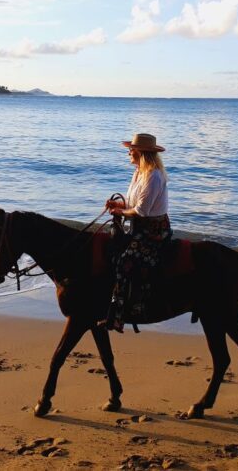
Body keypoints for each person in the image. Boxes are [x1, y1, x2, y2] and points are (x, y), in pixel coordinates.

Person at [103, 133, 172, 332]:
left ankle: (123, 312)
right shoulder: (139, 172)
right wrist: (118, 204)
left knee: (126, 260)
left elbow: (141, 211)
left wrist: (119, 211)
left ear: (141, 153)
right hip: (138, 227)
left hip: (153, 232)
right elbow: (134, 204)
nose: (129, 153)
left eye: (131, 150)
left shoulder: (154, 176)